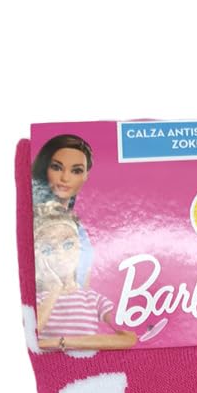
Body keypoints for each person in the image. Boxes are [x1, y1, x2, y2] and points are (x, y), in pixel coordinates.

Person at [33, 204, 137, 351]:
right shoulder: (38, 301)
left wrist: (59, 342)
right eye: (47, 249)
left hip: (88, 364)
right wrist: (54, 291)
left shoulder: (92, 299)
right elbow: (30, 335)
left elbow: (129, 337)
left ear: (79, 247)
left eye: (68, 244)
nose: (60, 255)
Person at [31, 134, 94, 288]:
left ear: (86, 175)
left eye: (76, 171)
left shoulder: (80, 231)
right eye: (57, 167)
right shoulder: (35, 223)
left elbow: (85, 287)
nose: (65, 178)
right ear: (45, 168)